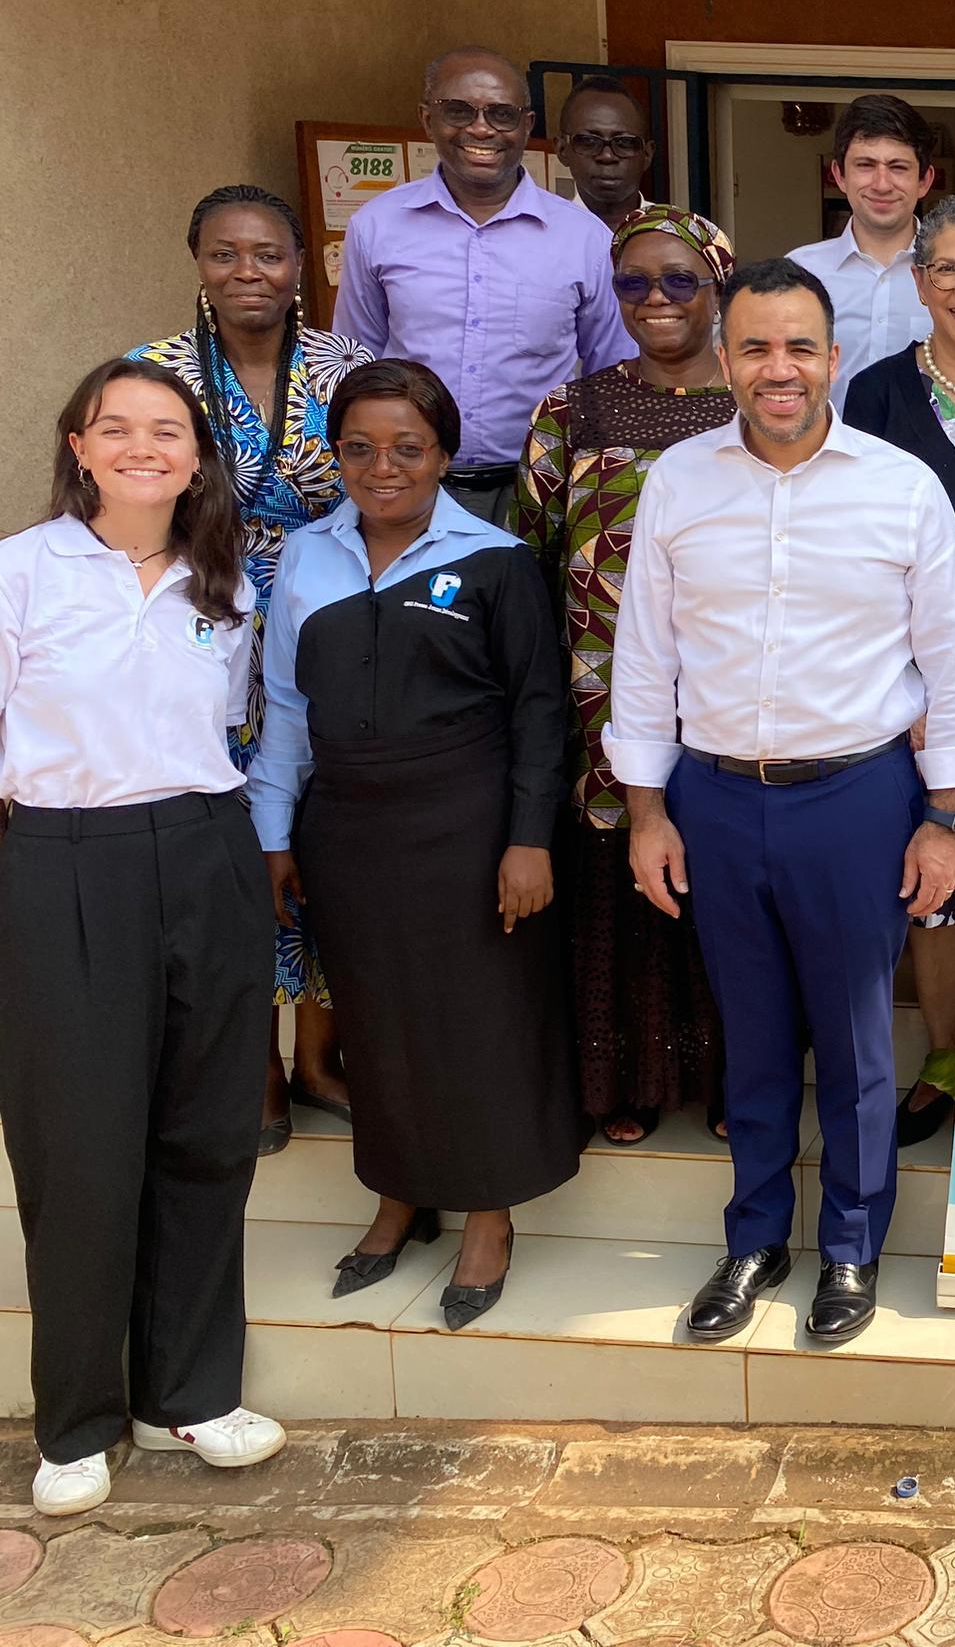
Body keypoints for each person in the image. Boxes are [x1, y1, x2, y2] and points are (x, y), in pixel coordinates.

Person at [609, 258, 955, 1349]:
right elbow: (645, 658)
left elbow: (949, 665)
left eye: (801, 347)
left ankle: (855, 1246)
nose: (781, 369)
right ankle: (756, 1237)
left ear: (834, 358)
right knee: (756, 1032)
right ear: (725, 359)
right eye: (758, 347)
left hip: (859, 797)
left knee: (861, 1041)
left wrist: (943, 817)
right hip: (715, 798)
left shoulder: (899, 486)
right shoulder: (680, 482)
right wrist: (647, 811)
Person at [0, 358, 284, 1517]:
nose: (142, 447)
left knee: (207, 1130)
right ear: (78, 444)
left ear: (196, 454)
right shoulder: (21, 571)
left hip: (207, 853)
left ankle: (195, 1390)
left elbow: (233, 726)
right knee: (77, 1146)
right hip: (63, 860)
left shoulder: (227, 582)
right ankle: (75, 1420)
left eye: (166, 430)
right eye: (115, 428)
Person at [253, 357, 579, 1331]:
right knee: (376, 1021)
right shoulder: (306, 558)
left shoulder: (494, 560)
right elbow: (282, 707)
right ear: (337, 455)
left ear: (442, 454)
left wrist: (528, 840)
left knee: (477, 1019)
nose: (382, 466)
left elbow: (539, 710)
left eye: (406, 447)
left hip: (469, 830)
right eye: (359, 448)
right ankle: (399, 1197)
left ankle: (487, 1213)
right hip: (347, 829)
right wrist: (276, 836)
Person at [127, 184, 375, 1152]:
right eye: (226, 254)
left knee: (319, 827)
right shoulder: (154, 374)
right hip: (204, 621)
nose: (248, 273)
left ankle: (320, 1057)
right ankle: (256, 1067)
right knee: (234, 844)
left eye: (267, 254)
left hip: (327, 613)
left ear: (299, 265)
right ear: (197, 262)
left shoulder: (344, 367)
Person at [516, 206, 739, 1149]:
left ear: (717, 287)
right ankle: (631, 1077)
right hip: (603, 694)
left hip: (729, 687)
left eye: (679, 279)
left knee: (730, 879)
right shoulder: (575, 409)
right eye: (634, 282)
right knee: (622, 871)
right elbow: (530, 550)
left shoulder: (756, 405)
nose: (656, 300)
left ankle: (739, 1076)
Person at [840, 197, 955, 1150]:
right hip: (929, 675)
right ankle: (948, 1052)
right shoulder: (875, 395)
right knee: (937, 875)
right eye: (946, 269)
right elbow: (859, 547)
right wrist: (899, 691)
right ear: (918, 282)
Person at [337, 48, 631, 521]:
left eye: (501, 114)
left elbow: (610, 373)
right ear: (427, 118)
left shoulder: (584, 239)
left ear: (526, 125)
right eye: (459, 111)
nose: (480, 129)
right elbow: (355, 363)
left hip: (540, 488)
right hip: (413, 488)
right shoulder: (376, 226)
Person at [785, 94, 938, 397]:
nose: (882, 184)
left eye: (898, 167)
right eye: (865, 165)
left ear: (924, 181)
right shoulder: (798, 272)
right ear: (839, 175)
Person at [555, 76, 661, 236]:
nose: (607, 156)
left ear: (647, 154)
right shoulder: (539, 241)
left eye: (624, 142)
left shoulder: (681, 239)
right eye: (589, 141)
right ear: (562, 150)